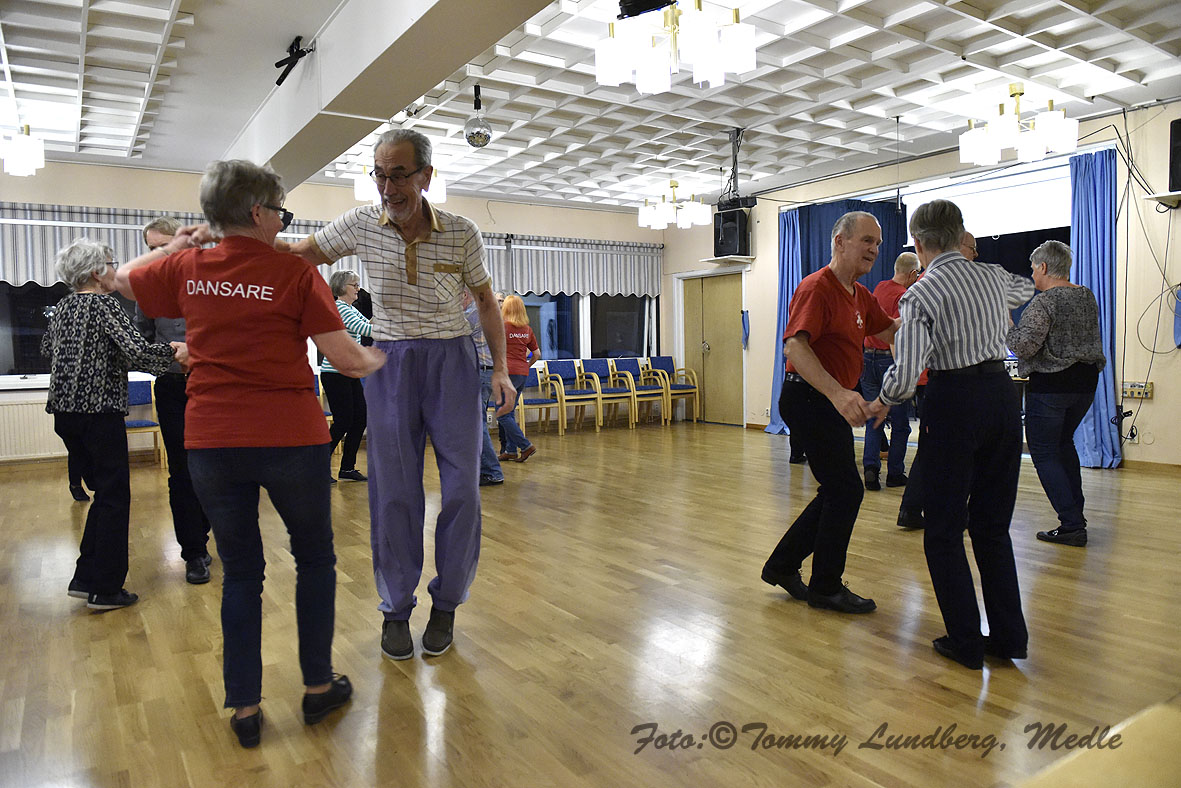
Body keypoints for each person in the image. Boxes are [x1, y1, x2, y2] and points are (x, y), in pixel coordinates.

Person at [115, 159, 386, 747]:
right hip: (290, 437)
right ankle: (318, 687)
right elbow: (347, 359)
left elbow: (121, 278)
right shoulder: (293, 272)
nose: (284, 223)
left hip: (213, 440)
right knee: (314, 559)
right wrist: (386, 357)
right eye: (282, 213)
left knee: (240, 571)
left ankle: (245, 708)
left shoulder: (189, 266)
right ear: (259, 212)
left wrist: (176, 246)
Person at [283, 128, 515, 662]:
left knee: (463, 490)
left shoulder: (461, 232)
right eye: (380, 175)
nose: (388, 188)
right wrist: (239, 239)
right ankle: (395, 609)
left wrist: (501, 369)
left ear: (426, 176)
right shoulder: (361, 223)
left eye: (399, 175)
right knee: (393, 491)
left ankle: (447, 603)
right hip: (390, 362)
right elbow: (301, 254)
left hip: (453, 361)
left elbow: (485, 301)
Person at [872, 200, 1034, 669]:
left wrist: (882, 400)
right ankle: (1009, 638)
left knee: (943, 528)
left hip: (954, 401)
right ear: (961, 234)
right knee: (992, 526)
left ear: (918, 243)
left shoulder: (920, 294)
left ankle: (965, 641)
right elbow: (1027, 288)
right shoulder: (994, 277)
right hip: (1002, 397)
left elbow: (907, 373)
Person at [761, 211, 898, 614]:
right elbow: (795, 347)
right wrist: (839, 394)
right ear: (840, 241)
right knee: (845, 490)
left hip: (827, 401)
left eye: (878, 243)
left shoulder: (860, 294)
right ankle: (825, 586)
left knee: (839, 490)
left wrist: (931, 314)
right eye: (867, 240)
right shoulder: (816, 287)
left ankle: (783, 565)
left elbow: (891, 330)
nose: (874, 249)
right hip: (808, 399)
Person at [41, 239, 184, 610]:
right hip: (98, 412)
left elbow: (47, 350)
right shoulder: (104, 305)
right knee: (114, 497)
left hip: (65, 413)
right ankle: (105, 589)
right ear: (96, 272)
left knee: (104, 495)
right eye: (111, 264)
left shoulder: (63, 306)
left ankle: (86, 578)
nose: (116, 270)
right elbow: (137, 351)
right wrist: (173, 351)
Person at [1006, 240, 1105, 547]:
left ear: (1044, 267)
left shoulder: (1043, 303)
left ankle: (1072, 524)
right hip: (1085, 384)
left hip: (1051, 386)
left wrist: (1006, 323)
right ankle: (1076, 516)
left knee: (1044, 452)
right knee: (1063, 445)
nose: (1032, 274)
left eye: (1033, 268)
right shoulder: (1086, 296)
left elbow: (1023, 347)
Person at [133, 216, 215, 584]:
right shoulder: (147, 293)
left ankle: (206, 533)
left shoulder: (212, 284)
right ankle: (193, 551)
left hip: (212, 386)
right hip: (172, 387)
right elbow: (141, 345)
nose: (158, 254)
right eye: (151, 248)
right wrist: (169, 356)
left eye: (164, 245)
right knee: (182, 470)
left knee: (214, 467)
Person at [897, 232, 976, 529]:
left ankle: (915, 508)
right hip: (947, 379)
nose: (975, 255)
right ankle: (943, 511)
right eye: (973, 248)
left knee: (936, 447)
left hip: (944, 379)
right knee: (955, 449)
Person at [860, 251, 920, 491]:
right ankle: (895, 473)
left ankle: (870, 469)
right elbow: (895, 336)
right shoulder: (904, 297)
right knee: (901, 423)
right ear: (912, 273)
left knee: (874, 418)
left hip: (868, 358)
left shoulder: (879, 288)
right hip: (888, 361)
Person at [321, 269, 373, 482]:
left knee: (360, 418)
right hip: (335, 374)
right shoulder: (340, 308)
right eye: (355, 285)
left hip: (348, 372)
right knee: (343, 420)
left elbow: (369, 323)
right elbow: (365, 330)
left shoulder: (350, 308)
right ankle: (318, 466)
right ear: (342, 287)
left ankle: (347, 468)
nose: (358, 289)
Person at [462, 289, 504, 486]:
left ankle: (492, 471)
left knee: (477, 424)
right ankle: (483, 469)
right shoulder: (481, 313)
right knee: (475, 423)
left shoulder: (472, 314)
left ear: (465, 295)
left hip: (480, 373)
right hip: (483, 372)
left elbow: (450, 333)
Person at [497, 294, 540, 463]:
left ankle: (526, 446)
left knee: (502, 414)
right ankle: (510, 450)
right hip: (522, 374)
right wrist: (526, 366)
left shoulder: (502, 327)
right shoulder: (527, 330)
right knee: (509, 412)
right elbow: (537, 354)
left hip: (506, 373)